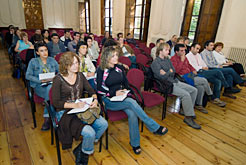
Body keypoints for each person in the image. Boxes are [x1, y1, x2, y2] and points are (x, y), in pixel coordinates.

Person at [96, 46, 168, 155]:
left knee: (132, 113)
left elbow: (126, 83)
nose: (117, 57)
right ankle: (154, 126)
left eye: (117, 55)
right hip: (109, 100)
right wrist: (113, 93)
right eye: (114, 56)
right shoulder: (101, 70)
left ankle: (135, 144)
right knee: (131, 102)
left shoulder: (119, 68)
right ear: (107, 57)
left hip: (121, 98)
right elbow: (99, 89)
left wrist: (126, 91)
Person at [52, 52, 108, 164]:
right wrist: (74, 105)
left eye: (77, 62)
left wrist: (95, 100)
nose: (76, 66)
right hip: (65, 112)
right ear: (65, 65)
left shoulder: (80, 76)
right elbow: (56, 102)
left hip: (81, 109)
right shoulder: (58, 79)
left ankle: (81, 150)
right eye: (72, 64)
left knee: (103, 124)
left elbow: (92, 91)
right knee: (90, 133)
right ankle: (83, 159)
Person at [151, 43, 201, 129]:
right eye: (166, 50)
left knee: (194, 90)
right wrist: (169, 72)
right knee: (186, 94)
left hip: (174, 81)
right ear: (160, 51)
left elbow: (173, 71)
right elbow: (161, 77)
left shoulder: (167, 59)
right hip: (166, 85)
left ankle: (185, 110)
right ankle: (188, 117)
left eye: (169, 50)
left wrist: (167, 72)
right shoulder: (155, 62)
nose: (168, 52)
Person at [171, 44, 213, 113]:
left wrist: (193, 69)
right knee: (204, 80)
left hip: (190, 74)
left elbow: (189, 65)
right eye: (181, 51)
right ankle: (210, 95)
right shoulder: (173, 59)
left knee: (201, 87)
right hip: (182, 77)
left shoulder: (184, 57)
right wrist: (181, 61)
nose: (183, 52)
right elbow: (176, 71)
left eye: (184, 50)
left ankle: (198, 105)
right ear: (176, 52)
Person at [26, 42, 59, 130]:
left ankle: (48, 117)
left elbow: (60, 71)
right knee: (50, 90)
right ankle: (51, 117)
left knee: (51, 89)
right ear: (37, 52)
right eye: (41, 51)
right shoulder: (33, 62)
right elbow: (28, 75)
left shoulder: (52, 60)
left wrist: (55, 77)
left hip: (52, 84)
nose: (45, 53)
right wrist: (40, 80)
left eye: (46, 50)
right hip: (39, 85)